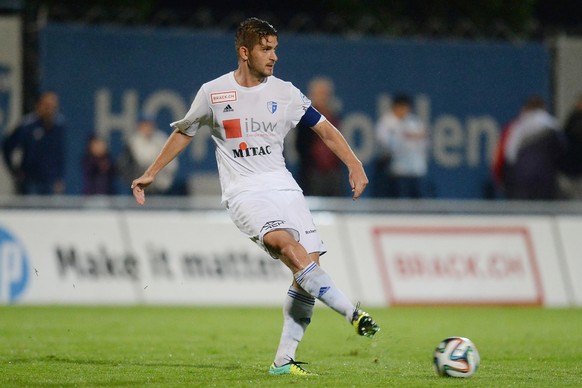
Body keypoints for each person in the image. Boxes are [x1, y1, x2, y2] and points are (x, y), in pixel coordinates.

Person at [130, 17, 379, 376]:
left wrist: (353, 163)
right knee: (286, 246)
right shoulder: (214, 92)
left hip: (284, 188)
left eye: (275, 48)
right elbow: (185, 132)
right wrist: (152, 172)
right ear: (245, 52)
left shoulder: (286, 92)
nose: (274, 56)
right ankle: (353, 314)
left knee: (307, 272)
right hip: (244, 192)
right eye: (266, 49)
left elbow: (324, 129)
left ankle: (283, 362)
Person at [2, 91, 66, 195]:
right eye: (47, 106)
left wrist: (59, 177)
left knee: (50, 210)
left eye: (53, 107)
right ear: (38, 106)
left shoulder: (59, 125)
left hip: (50, 180)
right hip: (30, 181)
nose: (50, 110)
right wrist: (14, 170)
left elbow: (60, 154)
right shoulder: (27, 126)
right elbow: (7, 147)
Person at [504, 95, 563, 200]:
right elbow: (562, 150)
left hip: (523, 177)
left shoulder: (519, 126)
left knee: (526, 211)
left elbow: (510, 154)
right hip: (545, 176)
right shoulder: (552, 124)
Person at [295, 76, 344, 196]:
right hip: (313, 173)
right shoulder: (303, 118)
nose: (322, 97)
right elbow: (300, 145)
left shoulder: (334, 117)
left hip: (334, 173)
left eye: (325, 94)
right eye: (319, 94)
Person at [374, 94, 428, 198]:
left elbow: (424, 141)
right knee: (400, 203)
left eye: (407, 108)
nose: (405, 111)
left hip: (416, 169)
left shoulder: (414, 121)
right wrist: (403, 137)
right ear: (396, 107)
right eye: (402, 107)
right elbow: (384, 144)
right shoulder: (386, 122)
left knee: (420, 204)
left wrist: (418, 137)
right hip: (397, 170)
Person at [119, 115, 179, 195]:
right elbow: (143, 161)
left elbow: (173, 164)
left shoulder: (160, 138)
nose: (148, 127)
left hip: (163, 186)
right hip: (142, 187)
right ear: (139, 126)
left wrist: (159, 162)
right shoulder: (134, 140)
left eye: (150, 124)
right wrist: (161, 160)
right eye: (145, 125)